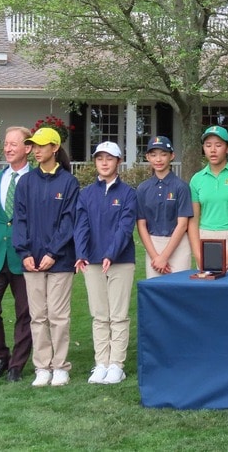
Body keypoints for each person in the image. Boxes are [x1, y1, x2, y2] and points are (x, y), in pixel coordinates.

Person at [12, 127, 80, 387]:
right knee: (38, 316)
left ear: (54, 148)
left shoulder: (69, 182)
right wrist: (24, 253)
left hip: (60, 261)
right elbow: (19, 220)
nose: (36, 150)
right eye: (33, 146)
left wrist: (53, 252)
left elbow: (69, 221)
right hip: (31, 261)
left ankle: (60, 366)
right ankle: (42, 366)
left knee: (59, 316)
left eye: (41, 146)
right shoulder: (26, 182)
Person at [74, 141, 137, 385]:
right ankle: (101, 362)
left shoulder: (128, 193)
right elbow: (81, 226)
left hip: (120, 261)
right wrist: (81, 252)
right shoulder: (86, 193)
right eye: (100, 158)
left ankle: (116, 365)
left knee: (118, 315)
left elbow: (125, 227)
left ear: (118, 162)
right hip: (92, 261)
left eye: (109, 158)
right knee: (100, 315)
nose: (104, 162)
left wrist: (111, 253)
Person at [0, 126, 34, 383]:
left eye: (14, 144)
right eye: (6, 143)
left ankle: (17, 365)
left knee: (25, 312)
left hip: (25, 256)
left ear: (28, 148)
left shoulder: (36, 179)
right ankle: (0, 357)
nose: (8, 148)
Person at [188, 126, 228, 270]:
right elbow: (193, 220)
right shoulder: (197, 179)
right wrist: (197, 254)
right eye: (208, 145)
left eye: (218, 145)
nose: (212, 150)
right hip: (205, 236)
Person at [136, 136, 192, 278]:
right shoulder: (143, 188)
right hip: (153, 245)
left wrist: (164, 257)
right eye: (153, 155)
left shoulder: (181, 187)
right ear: (147, 157)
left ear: (172, 156)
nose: (158, 159)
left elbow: (183, 224)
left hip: (178, 245)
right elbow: (141, 224)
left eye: (163, 154)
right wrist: (156, 256)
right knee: (156, 294)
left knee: (179, 292)